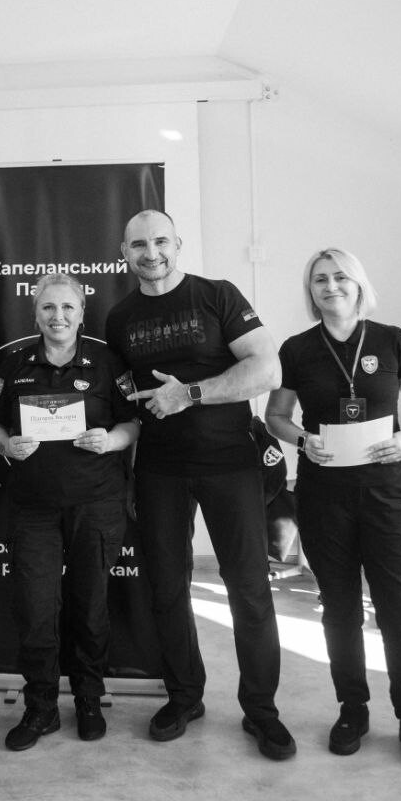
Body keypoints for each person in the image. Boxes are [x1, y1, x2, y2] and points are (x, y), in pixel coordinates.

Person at [105, 209, 296, 760]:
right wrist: (127, 475)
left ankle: (261, 710)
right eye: (138, 244)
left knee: (248, 589)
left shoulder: (217, 295)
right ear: (124, 252)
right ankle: (184, 696)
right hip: (159, 470)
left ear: (178, 243)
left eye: (161, 241)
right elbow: (126, 404)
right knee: (166, 589)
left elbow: (267, 370)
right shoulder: (119, 318)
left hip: (231, 464)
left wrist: (189, 393)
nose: (151, 253)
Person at [265, 247, 401, 771]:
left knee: (399, 609)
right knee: (339, 609)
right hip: (324, 496)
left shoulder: (392, 339)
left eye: (340, 276)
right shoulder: (297, 349)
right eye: (320, 279)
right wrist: (303, 440)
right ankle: (353, 710)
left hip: (386, 493)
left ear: (359, 283)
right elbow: (277, 415)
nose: (331, 286)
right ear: (311, 291)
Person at [0, 273, 139, 750]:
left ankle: (89, 699)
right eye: (48, 308)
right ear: (35, 314)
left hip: (96, 502)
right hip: (32, 507)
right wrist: (5, 444)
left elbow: (133, 422)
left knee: (90, 606)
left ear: (82, 314)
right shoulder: (12, 363)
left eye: (68, 307)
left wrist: (111, 440)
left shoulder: (108, 361)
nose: (58, 316)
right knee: (36, 609)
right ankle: (41, 707)